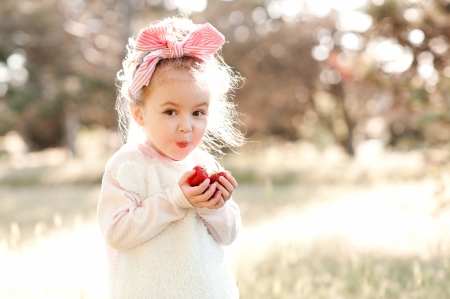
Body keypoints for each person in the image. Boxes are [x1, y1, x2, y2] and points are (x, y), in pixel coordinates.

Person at [97, 15, 245, 299]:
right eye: (170, 111)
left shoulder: (205, 165)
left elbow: (228, 235)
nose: (186, 126)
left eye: (198, 112)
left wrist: (215, 207)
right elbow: (116, 232)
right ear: (139, 113)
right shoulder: (128, 165)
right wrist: (175, 201)